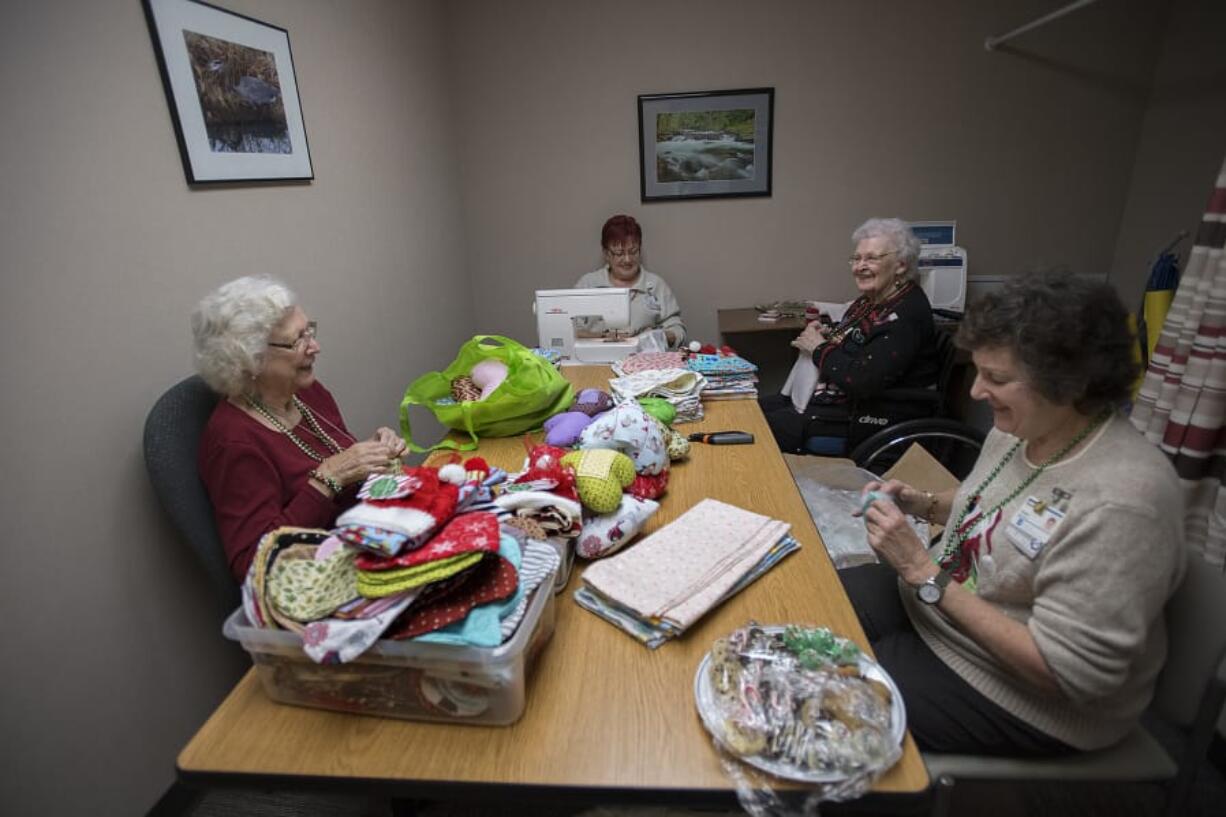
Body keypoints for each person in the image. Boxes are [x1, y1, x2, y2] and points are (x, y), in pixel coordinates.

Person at [844, 270, 1185, 756]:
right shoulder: (1021, 430)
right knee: (816, 606)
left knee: (831, 693)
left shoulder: (1126, 502)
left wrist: (923, 569)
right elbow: (994, 506)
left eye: (997, 378)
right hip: (943, 611)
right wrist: (920, 502)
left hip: (1017, 688)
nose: (977, 392)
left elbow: (1067, 674)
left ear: (1071, 384)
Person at [193, 276, 406, 581]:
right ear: (248, 359)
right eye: (298, 341)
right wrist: (328, 478)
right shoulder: (234, 442)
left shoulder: (308, 392)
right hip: (322, 581)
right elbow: (254, 565)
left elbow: (339, 478)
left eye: (310, 331)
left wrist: (373, 456)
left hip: (367, 543)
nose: (315, 347)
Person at [759, 217, 939, 453]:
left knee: (755, 428)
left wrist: (818, 348)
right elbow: (851, 339)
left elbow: (863, 380)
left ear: (901, 264)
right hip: (836, 401)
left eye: (872, 258)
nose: (859, 266)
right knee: (749, 409)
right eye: (856, 258)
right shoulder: (871, 301)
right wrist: (826, 334)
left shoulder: (904, 314)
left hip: (864, 417)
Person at [573, 214, 686, 348]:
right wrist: (603, 337)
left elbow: (678, 329)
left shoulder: (656, 285)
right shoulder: (588, 284)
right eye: (619, 253)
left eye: (633, 252)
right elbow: (569, 330)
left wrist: (662, 336)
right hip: (594, 361)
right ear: (606, 254)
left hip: (645, 363)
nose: (627, 259)